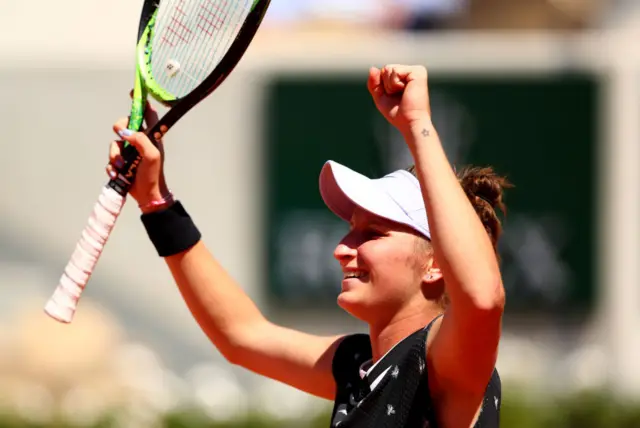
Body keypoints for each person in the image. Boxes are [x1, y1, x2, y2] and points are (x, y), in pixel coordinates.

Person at [107, 64, 511, 427]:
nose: (342, 248)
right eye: (352, 228)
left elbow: (482, 296)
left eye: (373, 233)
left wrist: (417, 124)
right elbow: (241, 335)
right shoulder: (357, 366)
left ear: (435, 263)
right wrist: (156, 202)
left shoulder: (447, 361)